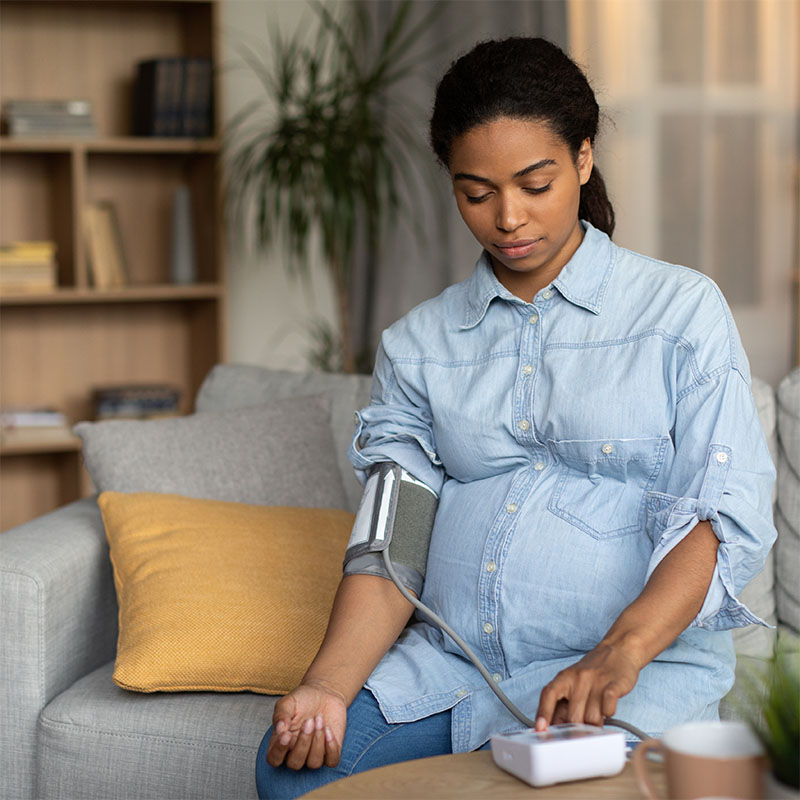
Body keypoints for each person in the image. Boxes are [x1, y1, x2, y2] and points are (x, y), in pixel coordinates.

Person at [255, 36, 776, 799]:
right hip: (451, 672)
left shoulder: (680, 312)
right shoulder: (419, 345)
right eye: (476, 192)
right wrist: (327, 687)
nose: (508, 218)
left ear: (584, 159)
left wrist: (618, 653)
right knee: (289, 776)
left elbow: (718, 516)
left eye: (536, 183)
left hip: (628, 677)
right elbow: (390, 546)